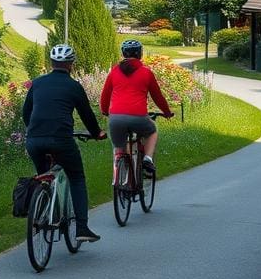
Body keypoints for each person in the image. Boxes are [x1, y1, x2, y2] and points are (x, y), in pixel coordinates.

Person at [23, 43, 107, 242]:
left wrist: (34, 131)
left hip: (34, 140)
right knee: (77, 177)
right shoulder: (74, 86)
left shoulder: (37, 83)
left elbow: (26, 112)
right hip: (61, 140)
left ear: (51, 63)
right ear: (71, 64)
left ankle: (41, 208)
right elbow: (86, 115)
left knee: (43, 174)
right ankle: (82, 228)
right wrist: (97, 133)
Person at [100, 39, 174, 175]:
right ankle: (147, 159)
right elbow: (158, 97)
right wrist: (167, 112)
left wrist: (105, 111)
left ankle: (122, 176)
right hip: (138, 117)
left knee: (120, 148)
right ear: (140, 54)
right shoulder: (146, 73)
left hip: (116, 118)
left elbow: (105, 96)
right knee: (152, 131)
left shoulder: (114, 72)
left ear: (123, 54)